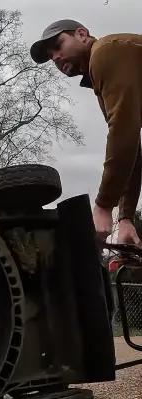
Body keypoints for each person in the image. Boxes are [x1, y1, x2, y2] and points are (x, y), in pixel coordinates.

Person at [30, 19, 142, 247]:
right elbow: (132, 149)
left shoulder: (106, 52)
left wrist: (103, 205)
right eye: (51, 55)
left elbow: (123, 133)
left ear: (81, 34)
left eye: (58, 45)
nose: (55, 57)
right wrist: (126, 217)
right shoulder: (103, 75)